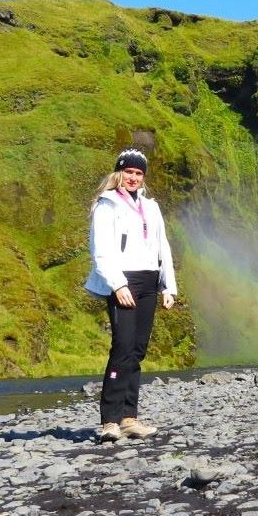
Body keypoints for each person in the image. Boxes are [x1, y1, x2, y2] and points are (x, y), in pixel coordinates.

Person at [85, 149, 176, 442]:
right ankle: (109, 421)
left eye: (139, 173)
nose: (133, 177)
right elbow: (101, 250)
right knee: (122, 346)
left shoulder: (152, 207)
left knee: (137, 350)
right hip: (123, 281)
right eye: (129, 172)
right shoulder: (107, 205)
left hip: (149, 280)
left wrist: (168, 287)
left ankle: (129, 418)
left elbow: (163, 247)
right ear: (119, 173)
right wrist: (117, 284)